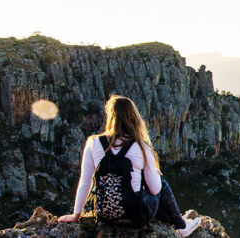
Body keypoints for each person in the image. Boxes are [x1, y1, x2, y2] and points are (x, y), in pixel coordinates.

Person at [59, 95, 201, 237]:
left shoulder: (93, 142)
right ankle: (181, 225)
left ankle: (177, 222)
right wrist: (154, 174)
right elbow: (155, 189)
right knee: (159, 181)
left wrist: (76, 215)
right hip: (134, 215)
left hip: (105, 214)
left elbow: (85, 182)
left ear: (109, 116)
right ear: (134, 117)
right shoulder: (141, 146)